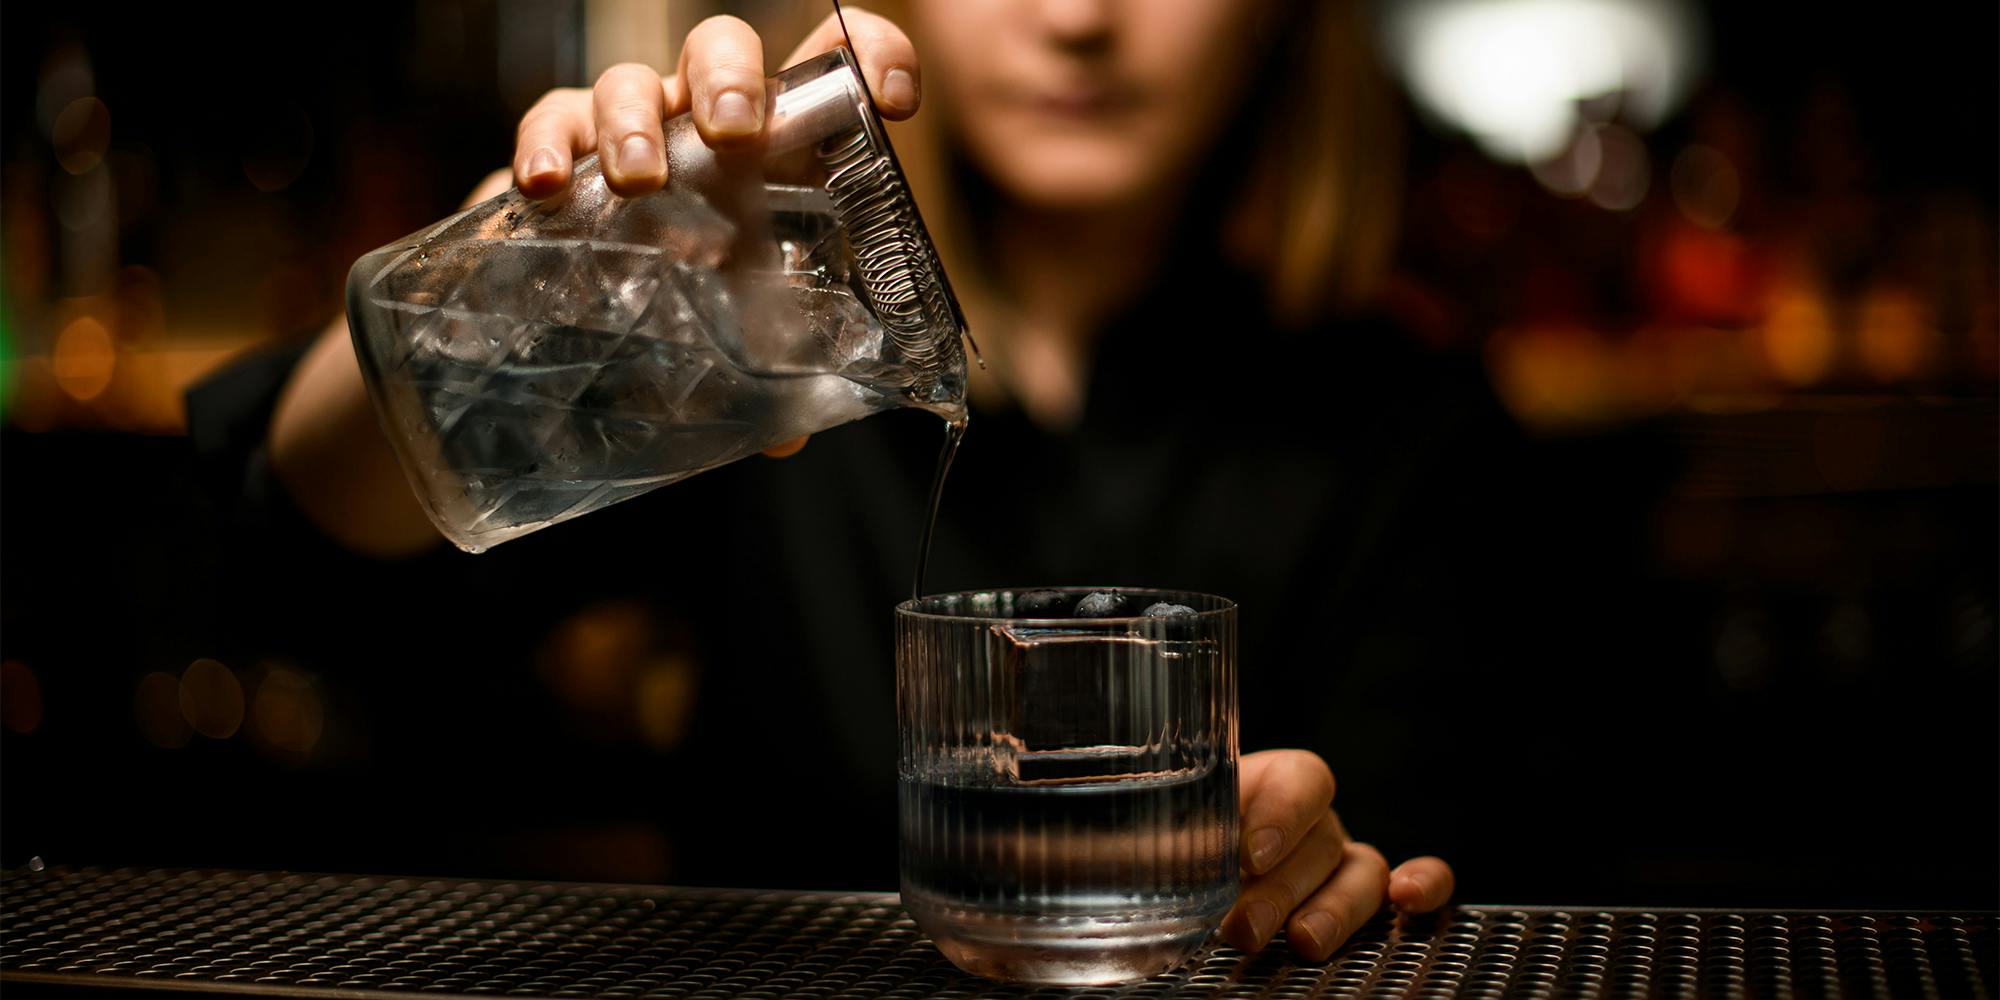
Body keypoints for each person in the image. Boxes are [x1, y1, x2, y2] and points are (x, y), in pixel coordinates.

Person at [193, 1, 1485, 962]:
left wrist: (1319, 877)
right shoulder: (736, 324)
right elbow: (298, 573)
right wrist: (503, 301)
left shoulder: (1417, 436)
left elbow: (1450, 876)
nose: (1079, 19)